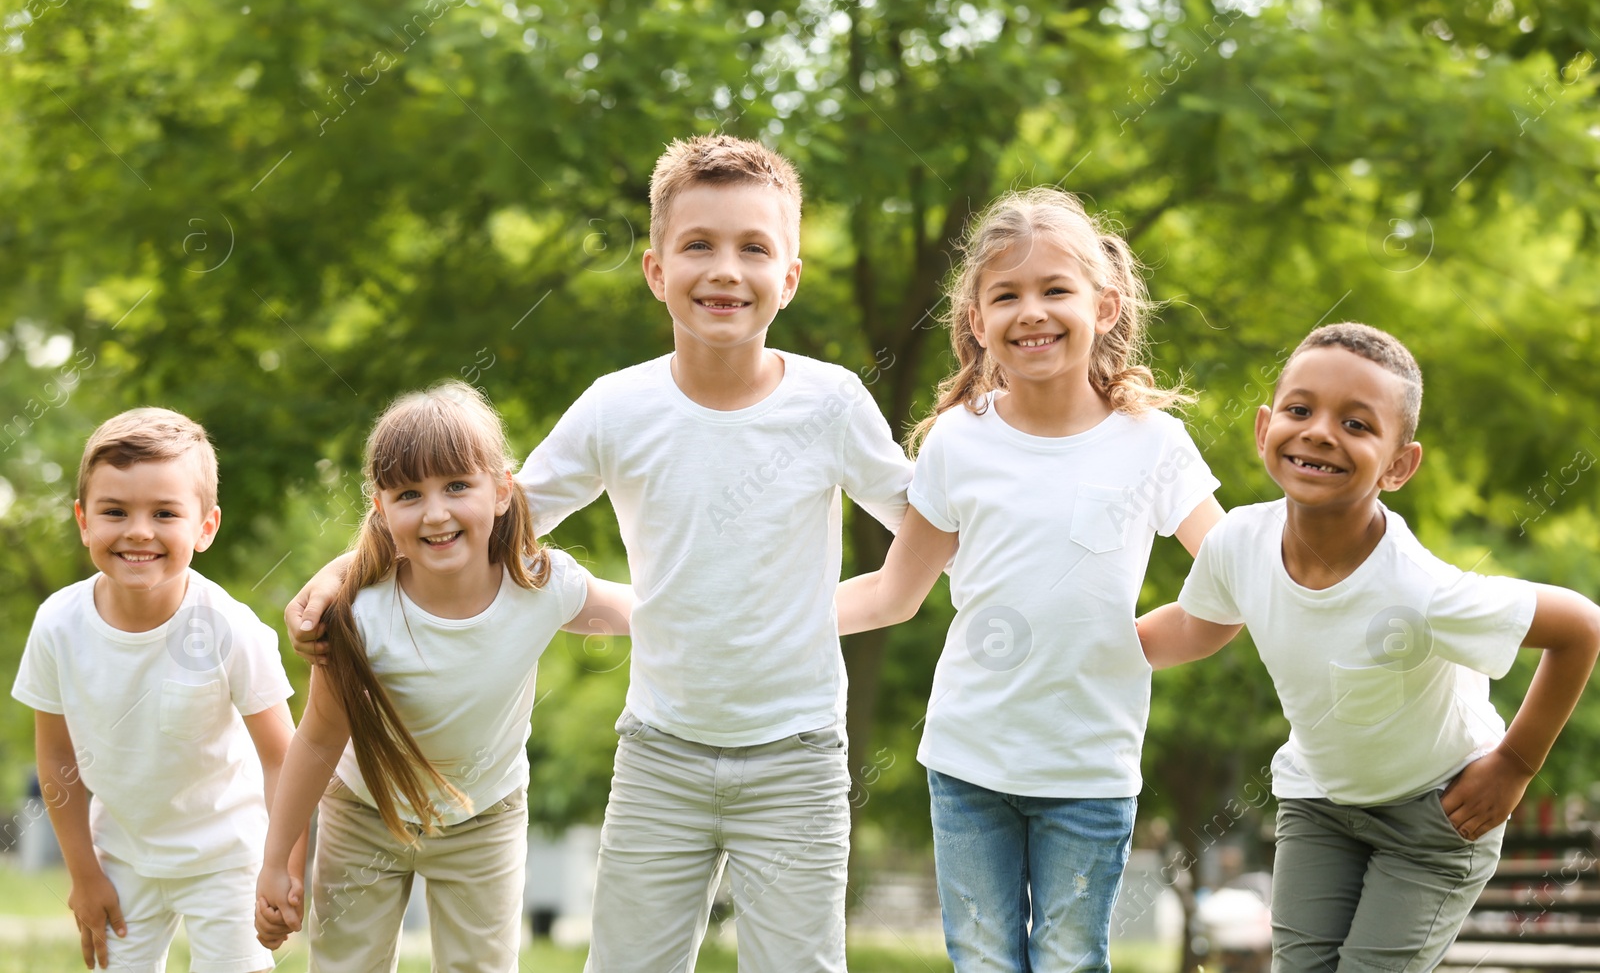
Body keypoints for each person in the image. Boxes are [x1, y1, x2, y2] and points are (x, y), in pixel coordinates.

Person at [286, 134, 909, 972]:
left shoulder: (832, 402)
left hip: (796, 756)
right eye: (698, 245)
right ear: (656, 270)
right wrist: (335, 575)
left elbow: (923, 523)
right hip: (660, 751)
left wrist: (856, 605)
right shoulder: (620, 408)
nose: (725, 269)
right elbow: (492, 516)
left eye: (754, 248)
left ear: (788, 277)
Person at [836, 187, 1223, 972]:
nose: (1031, 311)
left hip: (1090, 767)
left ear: (1105, 306)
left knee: (1070, 958)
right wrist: (758, 619)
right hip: (969, 758)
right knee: (982, 960)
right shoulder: (957, 442)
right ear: (977, 322)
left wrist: (1136, 641)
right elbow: (892, 592)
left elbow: (1232, 579)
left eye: (1055, 289)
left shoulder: (1152, 442)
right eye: (1006, 294)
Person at [1137, 322, 1600, 973]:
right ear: (1264, 427)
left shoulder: (1421, 590)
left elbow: (1580, 626)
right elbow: (1202, 621)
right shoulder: (1238, 542)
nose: (1320, 431)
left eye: (1357, 424)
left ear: (1399, 465)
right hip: (1320, 803)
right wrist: (1113, 648)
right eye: (1300, 410)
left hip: (1436, 818)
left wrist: (1517, 763)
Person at [253, 381, 632, 972]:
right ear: (380, 510)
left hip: (485, 816)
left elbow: (647, 613)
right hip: (364, 811)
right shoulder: (359, 613)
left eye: (457, 486)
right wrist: (278, 861)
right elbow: (319, 739)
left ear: (502, 490)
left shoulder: (541, 585)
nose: (436, 513)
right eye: (409, 494)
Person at [11, 408, 299, 973]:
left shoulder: (229, 627)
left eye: (165, 512)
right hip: (121, 856)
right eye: (115, 511)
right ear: (84, 521)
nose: (138, 530)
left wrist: (281, 867)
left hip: (228, 857)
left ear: (206, 526)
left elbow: (282, 758)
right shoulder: (57, 623)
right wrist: (84, 873)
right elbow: (56, 755)